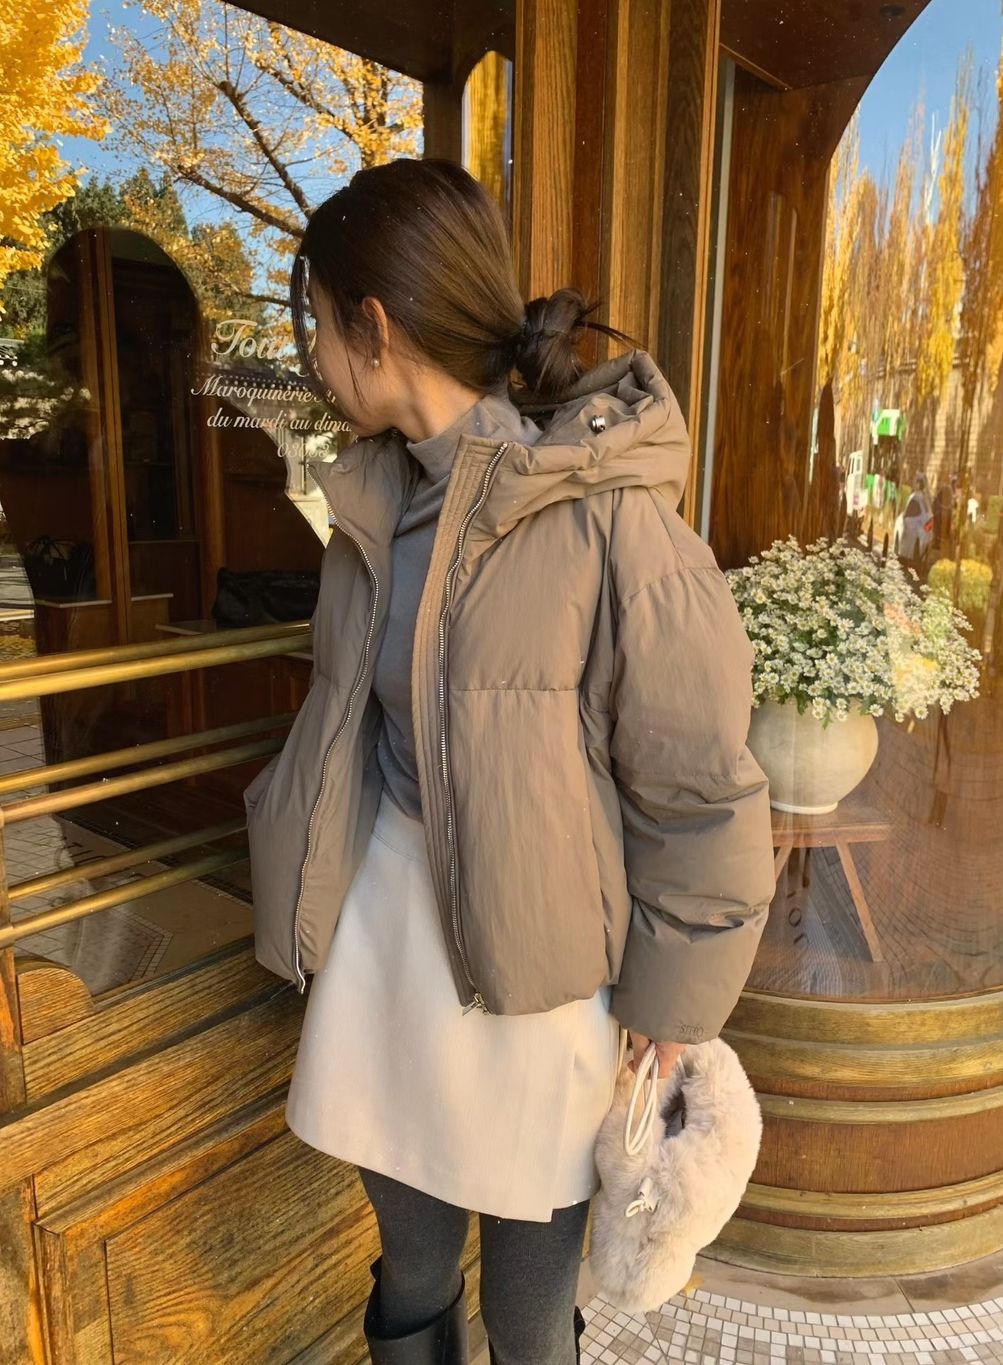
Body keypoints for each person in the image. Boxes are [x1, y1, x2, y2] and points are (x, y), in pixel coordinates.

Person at [242, 158, 776, 1365]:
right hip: (389, 946)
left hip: (546, 983)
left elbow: (696, 786)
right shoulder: (370, 506)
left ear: (373, 325)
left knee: (527, 1316)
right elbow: (350, 724)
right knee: (412, 1273)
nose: (314, 358)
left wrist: (670, 1007)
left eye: (316, 325)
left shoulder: (605, 512)